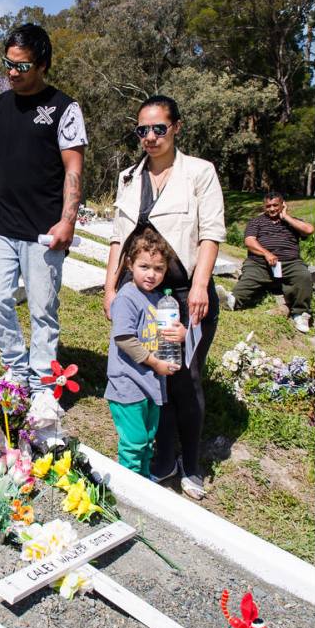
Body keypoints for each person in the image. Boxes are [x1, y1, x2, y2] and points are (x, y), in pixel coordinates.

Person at [103, 95, 226, 499]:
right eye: (143, 130)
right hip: (140, 293)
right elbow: (118, 238)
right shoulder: (128, 177)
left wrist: (201, 285)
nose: (150, 137)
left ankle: (190, 464)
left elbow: (211, 232)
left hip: (185, 291)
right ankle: (162, 456)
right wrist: (110, 287)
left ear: (176, 128)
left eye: (159, 128)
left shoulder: (199, 172)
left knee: (185, 378)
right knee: (149, 372)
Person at [0, 23, 88, 397]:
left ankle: (42, 384)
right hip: (1, 224)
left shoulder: (65, 109)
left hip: (44, 230)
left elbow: (73, 169)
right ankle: (16, 369)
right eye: (8, 63)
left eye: (22, 66)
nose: (12, 72)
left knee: (42, 310)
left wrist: (67, 221)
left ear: (43, 65)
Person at [106, 228, 184, 477]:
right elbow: (124, 339)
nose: (151, 274)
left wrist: (181, 334)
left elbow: (166, 334)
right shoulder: (127, 297)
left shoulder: (160, 299)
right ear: (130, 264)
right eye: (144, 266)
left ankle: (143, 482)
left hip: (150, 384)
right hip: (128, 383)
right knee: (134, 443)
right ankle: (127, 490)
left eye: (159, 269)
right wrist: (154, 363)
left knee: (148, 441)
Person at [219, 192, 315, 333]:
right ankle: (231, 301)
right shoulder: (256, 222)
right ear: (264, 207)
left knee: (303, 276)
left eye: (275, 205)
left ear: (283, 205)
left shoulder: (292, 221)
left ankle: (300, 313)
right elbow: (249, 241)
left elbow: (309, 230)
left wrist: (286, 217)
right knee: (250, 276)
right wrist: (266, 253)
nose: (272, 209)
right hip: (260, 262)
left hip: (290, 263)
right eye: (268, 206)